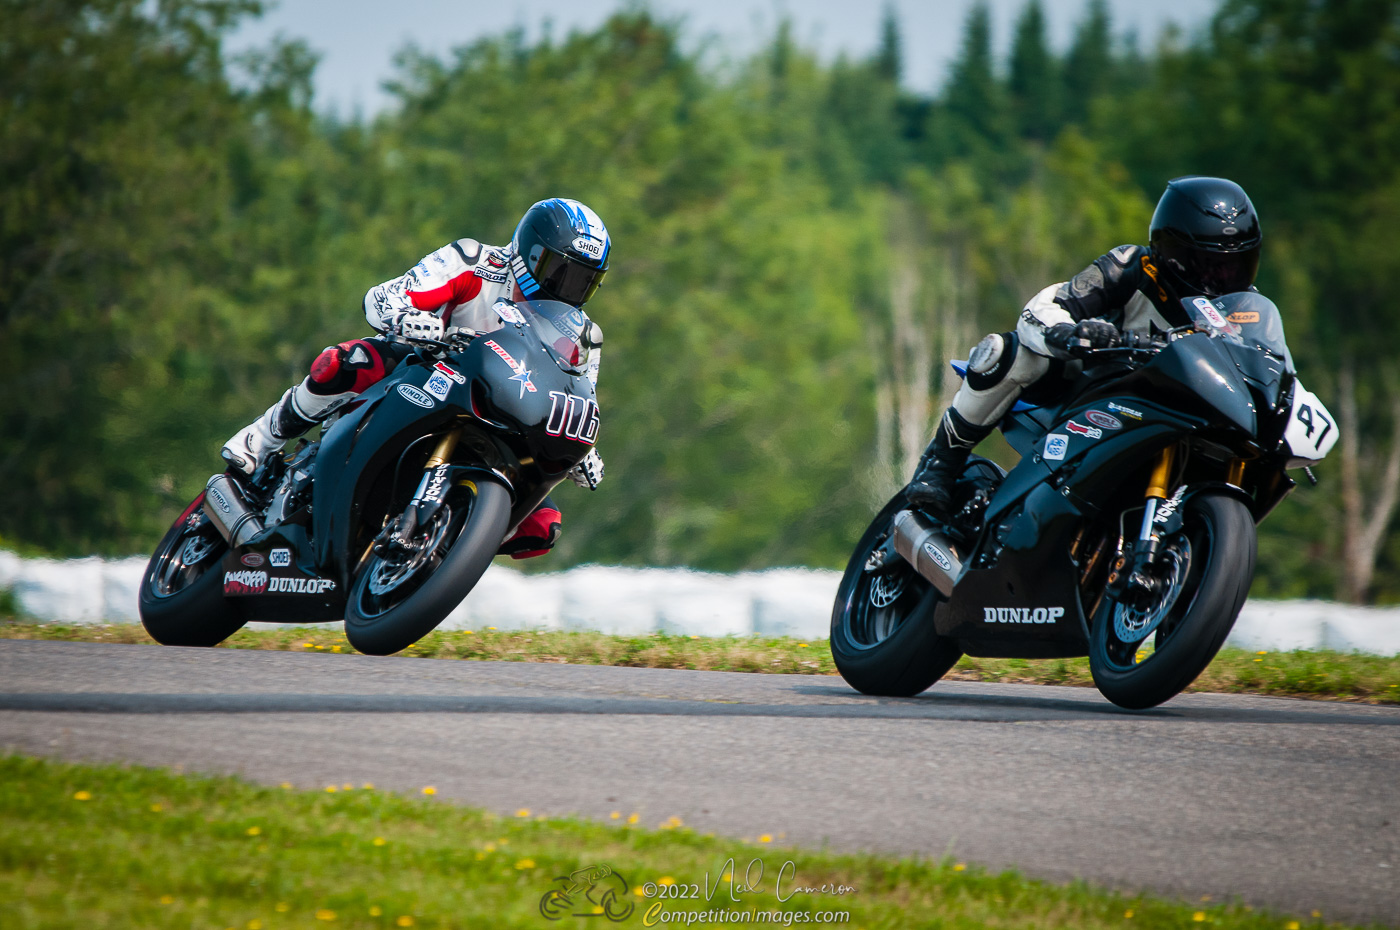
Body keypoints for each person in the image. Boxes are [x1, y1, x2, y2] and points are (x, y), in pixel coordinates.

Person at [220, 197, 611, 559]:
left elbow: (574, 396)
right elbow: (384, 297)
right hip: (426, 372)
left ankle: (440, 552)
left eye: (583, 281)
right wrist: (408, 317)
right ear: (531, 252)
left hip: (501, 422)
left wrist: (583, 449)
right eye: (561, 273)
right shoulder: (474, 261)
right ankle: (261, 439)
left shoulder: (580, 335)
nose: (568, 290)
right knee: (348, 361)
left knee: (545, 527)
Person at [906, 176, 1264, 517]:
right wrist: (1071, 333)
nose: (1221, 279)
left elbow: (1267, 364)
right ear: (1173, 251)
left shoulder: (1246, 311)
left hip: (1179, 417)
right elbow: (1045, 307)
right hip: (1095, 390)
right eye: (1209, 264)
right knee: (1010, 352)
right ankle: (941, 464)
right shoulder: (1131, 267)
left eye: (1234, 266)